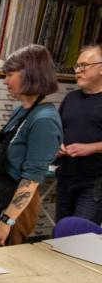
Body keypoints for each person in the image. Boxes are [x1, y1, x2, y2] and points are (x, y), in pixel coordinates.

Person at [0, 44, 62, 246]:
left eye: (10, 74)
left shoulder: (44, 120)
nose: (5, 81)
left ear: (30, 73)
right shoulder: (22, 111)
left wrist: (6, 222)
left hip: (7, 211)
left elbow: (31, 180)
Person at [55, 44, 102, 224]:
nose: (78, 71)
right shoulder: (71, 98)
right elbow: (58, 131)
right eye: (77, 66)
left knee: (78, 234)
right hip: (66, 176)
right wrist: (57, 144)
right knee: (60, 234)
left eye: (84, 66)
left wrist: (91, 148)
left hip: (94, 182)